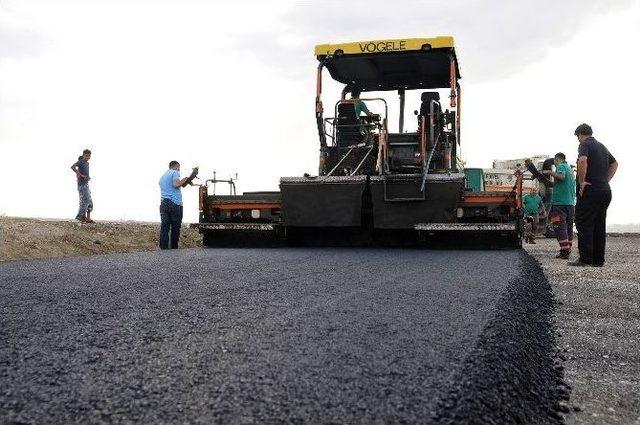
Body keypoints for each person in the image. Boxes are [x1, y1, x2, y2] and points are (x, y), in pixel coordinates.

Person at [571, 124, 618, 267]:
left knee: (583, 222)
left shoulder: (585, 144)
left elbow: (582, 160)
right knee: (599, 224)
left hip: (590, 191)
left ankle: (585, 259)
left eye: (578, 137)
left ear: (580, 134)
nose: (578, 140)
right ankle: (598, 260)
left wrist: (582, 182)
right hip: (605, 191)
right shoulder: (602, 146)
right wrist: (605, 180)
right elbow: (615, 164)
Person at [158, 161, 198, 250]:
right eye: (179, 168)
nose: (179, 170)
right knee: (175, 227)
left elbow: (172, 186)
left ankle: (163, 248)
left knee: (165, 226)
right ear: (176, 166)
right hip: (174, 203)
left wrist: (185, 182)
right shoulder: (175, 172)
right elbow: (176, 184)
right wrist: (186, 179)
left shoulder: (162, 177)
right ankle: (174, 248)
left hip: (163, 203)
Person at [543, 152, 576, 259]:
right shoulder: (569, 168)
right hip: (570, 203)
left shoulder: (561, 166)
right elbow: (562, 182)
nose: (555, 165)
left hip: (559, 203)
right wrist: (550, 183)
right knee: (568, 226)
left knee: (558, 225)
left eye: (555, 163)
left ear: (557, 159)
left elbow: (561, 176)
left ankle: (564, 251)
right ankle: (568, 248)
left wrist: (549, 172)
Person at [70, 149, 94, 223]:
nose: (88, 157)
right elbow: (72, 167)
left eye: (89, 156)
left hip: (86, 184)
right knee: (84, 201)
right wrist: (80, 175)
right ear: (83, 155)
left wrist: (87, 177)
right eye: (86, 156)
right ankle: (80, 217)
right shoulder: (80, 162)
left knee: (89, 201)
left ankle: (88, 218)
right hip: (81, 185)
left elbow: (85, 172)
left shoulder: (87, 163)